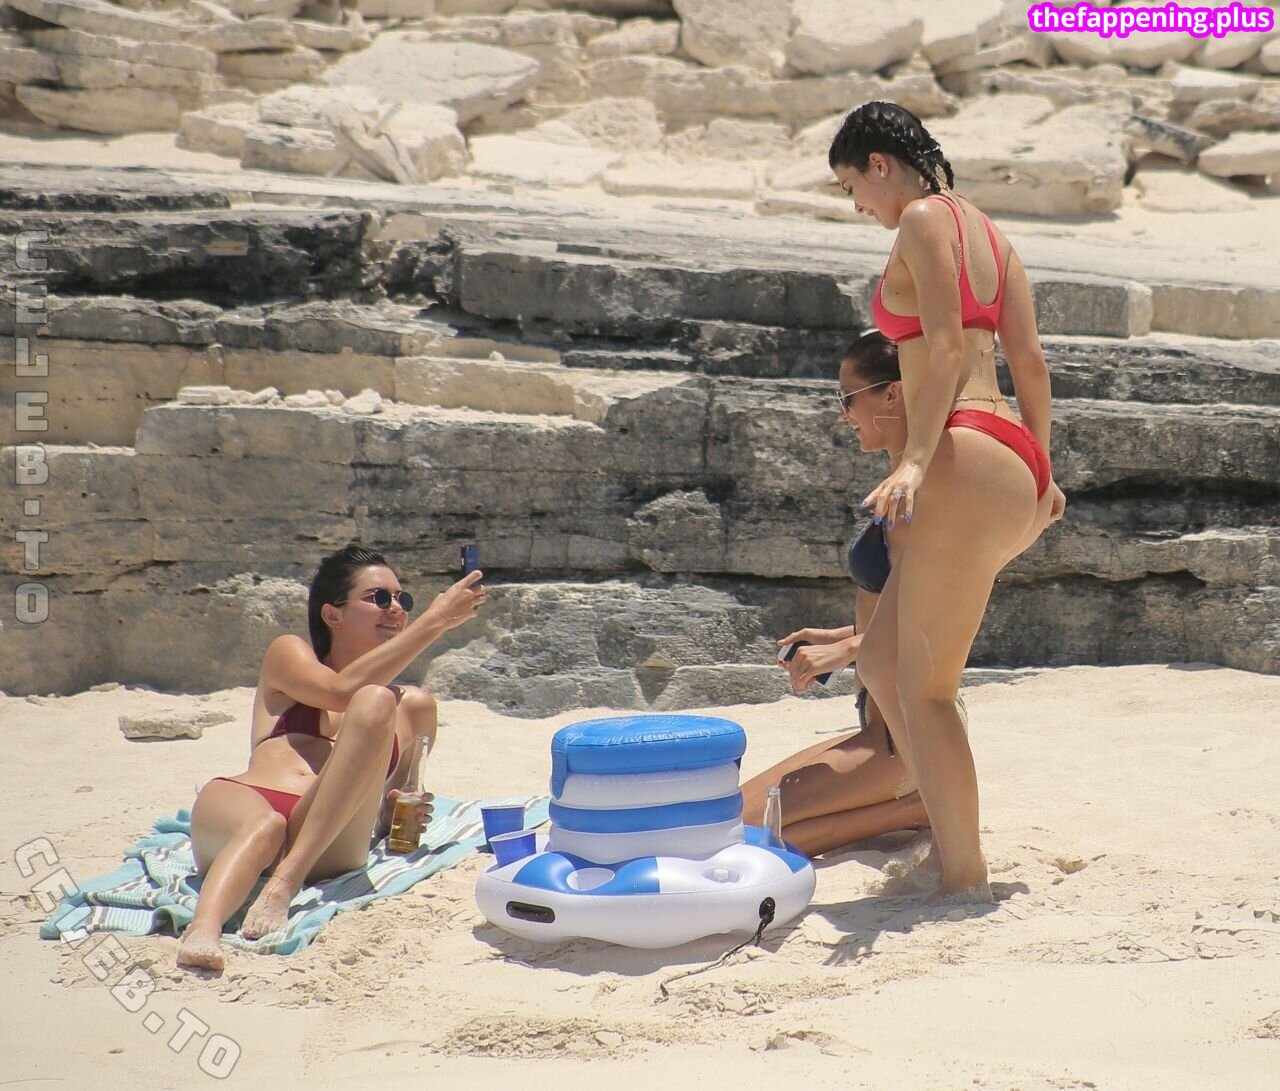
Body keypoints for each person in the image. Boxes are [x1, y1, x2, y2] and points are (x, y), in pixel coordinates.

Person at [826, 101, 1066, 900]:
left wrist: (917, 461)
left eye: (852, 186)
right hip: (1011, 453)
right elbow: (1029, 361)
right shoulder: (993, 236)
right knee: (884, 665)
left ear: (880, 164)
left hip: (963, 451)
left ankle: (964, 878)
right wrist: (1044, 472)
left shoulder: (924, 220)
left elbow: (947, 345)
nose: (857, 206)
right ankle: (946, 834)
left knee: (926, 689)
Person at [176, 544, 486, 971]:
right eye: (379, 597)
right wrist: (437, 620)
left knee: (379, 700)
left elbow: (391, 806)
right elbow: (340, 692)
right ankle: (203, 930)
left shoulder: (412, 708)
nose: (396, 608)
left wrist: (398, 811)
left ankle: (285, 882)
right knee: (265, 825)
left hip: (328, 840)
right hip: (256, 803)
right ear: (332, 614)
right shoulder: (289, 654)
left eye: (403, 599)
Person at [742, 332, 929, 856]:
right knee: (730, 816)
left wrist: (849, 649)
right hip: (879, 728)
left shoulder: (923, 490)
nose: (843, 413)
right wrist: (847, 635)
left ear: (891, 393)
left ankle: (918, 804)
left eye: (847, 397)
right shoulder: (897, 485)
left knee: (732, 832)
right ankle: (911, 809)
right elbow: (902, 606)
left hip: (904, 740)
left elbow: (940, 620)